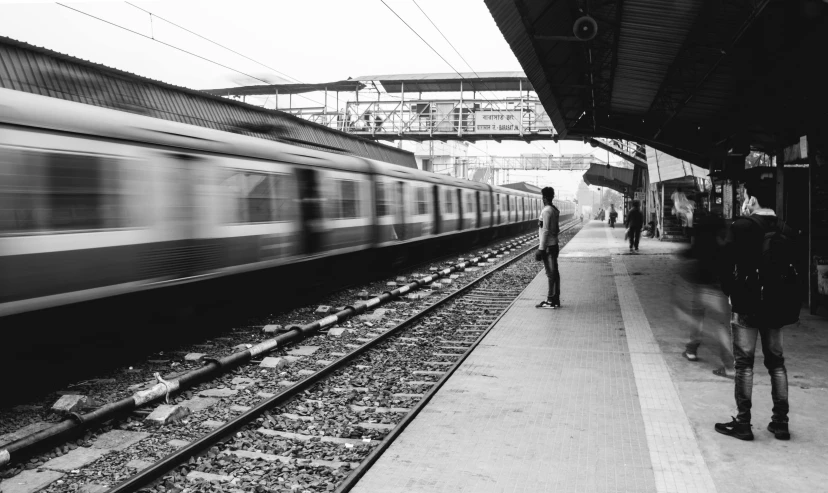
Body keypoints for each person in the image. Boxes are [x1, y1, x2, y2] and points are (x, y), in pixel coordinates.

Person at [715, 180, 795, 442]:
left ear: (753, 200)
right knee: (777, 363)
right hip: (776, 305)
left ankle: (743, 423)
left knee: (744, 365)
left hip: (747, 303)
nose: (745, 200)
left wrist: (730, 293)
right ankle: (780, 423)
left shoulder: (741, 226)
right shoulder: (785, 228)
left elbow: (725, 265)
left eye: (746, 196)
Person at [678, 215, 734, 378]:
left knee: (697, 319)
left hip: (701, 287)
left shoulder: (701, 242)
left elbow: (687, 254)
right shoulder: (724, 242)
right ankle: (729, 366)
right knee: (722, 327)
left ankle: (691, 350)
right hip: (719, 289)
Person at [534, 187, 561, 309]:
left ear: (544, 198)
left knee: (551, 274)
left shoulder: (546, 211)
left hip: (549, 247)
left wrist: (541, 249)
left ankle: (550, 300)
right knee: (555, 273)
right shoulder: (555, 210)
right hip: (554, 244)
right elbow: (556, 229)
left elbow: (544, 231)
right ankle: (555, 298)